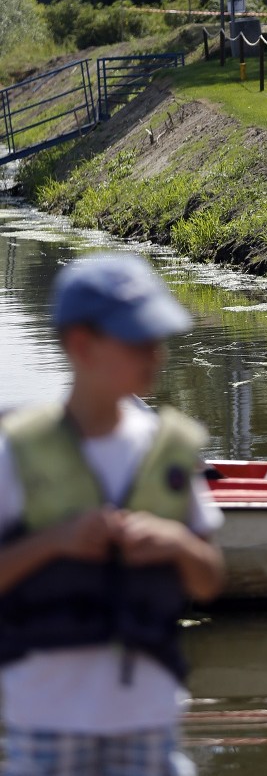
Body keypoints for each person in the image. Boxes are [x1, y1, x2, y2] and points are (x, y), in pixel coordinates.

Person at [0, 252, 225, 776]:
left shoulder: (170, 450)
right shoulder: (18, 455)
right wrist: (55, 541)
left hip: (148, 719)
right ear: (81, 345)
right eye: (138, 340)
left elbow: (210, 580)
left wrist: (175, 542)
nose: (157, 354)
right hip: (46, 718)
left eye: (158, 338)